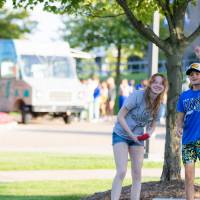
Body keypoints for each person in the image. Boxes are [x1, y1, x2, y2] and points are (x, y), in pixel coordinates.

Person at [111, 73, 168, 200]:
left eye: (161, 83)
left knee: (137, 174)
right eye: (155, 82)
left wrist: (149, 133)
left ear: (164, 87)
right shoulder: (138, 95)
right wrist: (131, 135)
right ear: (150, 83)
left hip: (137, 138)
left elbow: (153, 124)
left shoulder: (160, 105)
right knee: (121, 171)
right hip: (121, 134)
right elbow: (120, 116)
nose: (158, 85)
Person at [176, 62, 200, 200]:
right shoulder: (184, 96)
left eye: (197, 74)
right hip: (188, 141)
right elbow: (179, 117)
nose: (194, 76)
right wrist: (178, 127)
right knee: (188, 176)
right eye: (192, 74)